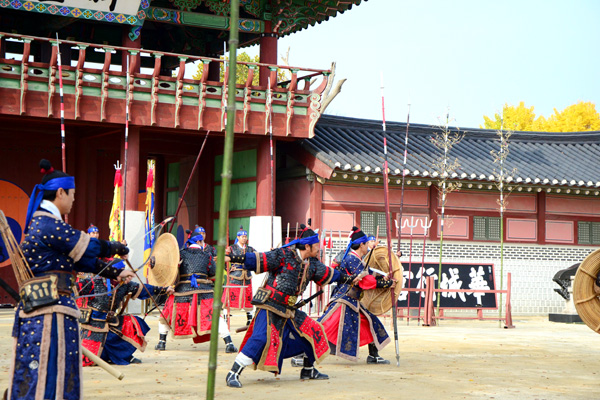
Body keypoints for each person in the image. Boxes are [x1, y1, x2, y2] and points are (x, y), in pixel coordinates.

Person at [8, 159, 134, 400]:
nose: (74, 199)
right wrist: (116, 246)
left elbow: (81, 260)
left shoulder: (45, 223)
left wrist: (116, 272)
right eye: (73, 194)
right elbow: (87, 245)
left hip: (49, 308)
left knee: (51, 373)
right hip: (48, 311)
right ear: (61, 192)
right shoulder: (47, 224)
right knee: (47, 373)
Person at [223, 225, 365, 388]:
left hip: (289, 310)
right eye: (316, 246)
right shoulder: (283, 254)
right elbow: (259, 259)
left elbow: (331, 274)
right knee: (261, 338)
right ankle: (233, 373)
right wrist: (233, 258)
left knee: (314, 330)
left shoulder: (312, 264)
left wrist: (350, 279)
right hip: (270, 305)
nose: (319, 248)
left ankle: (308, 369)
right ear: (307, 246)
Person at [318, 226, 396, 364]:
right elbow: (364, 281)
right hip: (344, 301)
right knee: (324, 327)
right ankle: (301, 354)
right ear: (362, 244)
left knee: (371, 322)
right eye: (367, 244)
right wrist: (387, 284)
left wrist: (382, 280)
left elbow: (368, 277)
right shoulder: (352, 259)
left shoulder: (357, 260)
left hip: (353, 301)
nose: (368, 247)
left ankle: (373, 355)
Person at [77, 260, 174, 365]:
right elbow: (73, 290)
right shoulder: (94, 281)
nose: (125, 275)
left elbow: (144, 289)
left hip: (112, 321)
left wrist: (164, 290)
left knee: (134, 323)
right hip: (93, 324)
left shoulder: (124, 284)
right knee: (89, 359)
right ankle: (107, 356)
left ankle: (124, 356)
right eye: (121, 271)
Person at [155, 233, 237, 353]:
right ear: (198, 243)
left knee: (166, 315)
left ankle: (162, 342)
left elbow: (172, 271)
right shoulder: (207, 255)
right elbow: (213, 273)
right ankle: (229, 343)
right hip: (204, 291)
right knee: (215, 316)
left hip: (182, 291)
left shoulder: (181, 254)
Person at [223, 226, 255, 326]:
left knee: (248, 296)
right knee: (230, 296)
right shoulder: (231, 248)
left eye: (245, 236)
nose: (244, 238)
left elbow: (257, 257)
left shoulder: (250, 249)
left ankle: (249, 317)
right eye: (242, 236)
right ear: (238, 237)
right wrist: (227, 268)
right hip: (235, 275)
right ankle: (225, 316)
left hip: (247, 275)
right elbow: (224, 259)